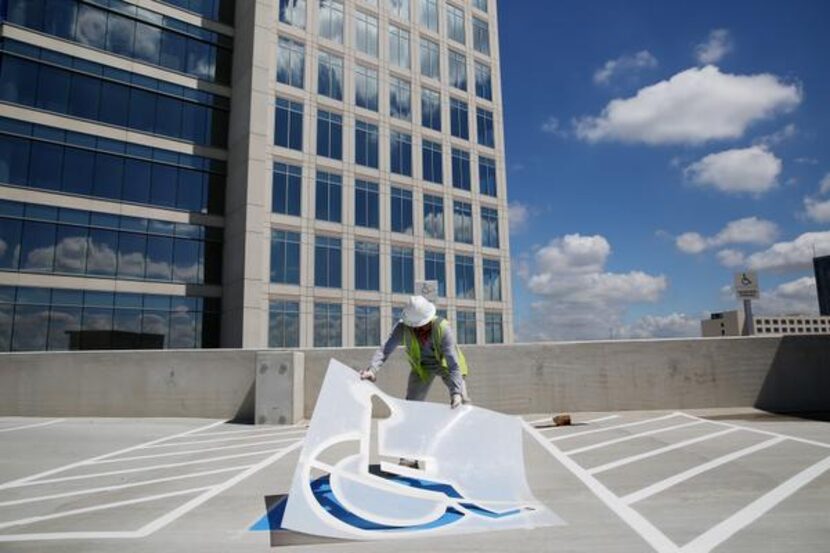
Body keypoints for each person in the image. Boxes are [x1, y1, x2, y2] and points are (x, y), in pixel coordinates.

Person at [359, 295, 470, 409]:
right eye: (415, 326)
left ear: (430, 318)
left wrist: (456, 393)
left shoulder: (443, 328)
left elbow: (453, 364)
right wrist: (372, 370)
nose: (419, 329)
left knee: (462, 400)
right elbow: (385, 349)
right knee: (412, 404)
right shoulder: (403, 327)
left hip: (446, 365)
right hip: (422, 367)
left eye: (423, 325)